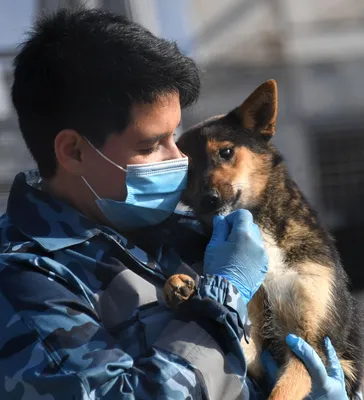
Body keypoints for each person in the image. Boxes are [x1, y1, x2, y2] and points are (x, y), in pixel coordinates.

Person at [0, 8, 358, 399]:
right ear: (73, 151)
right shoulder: (26, 279)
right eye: (151, 145)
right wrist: (225, 295)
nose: (180, 159)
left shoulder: (193, 234)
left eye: (176, 137)